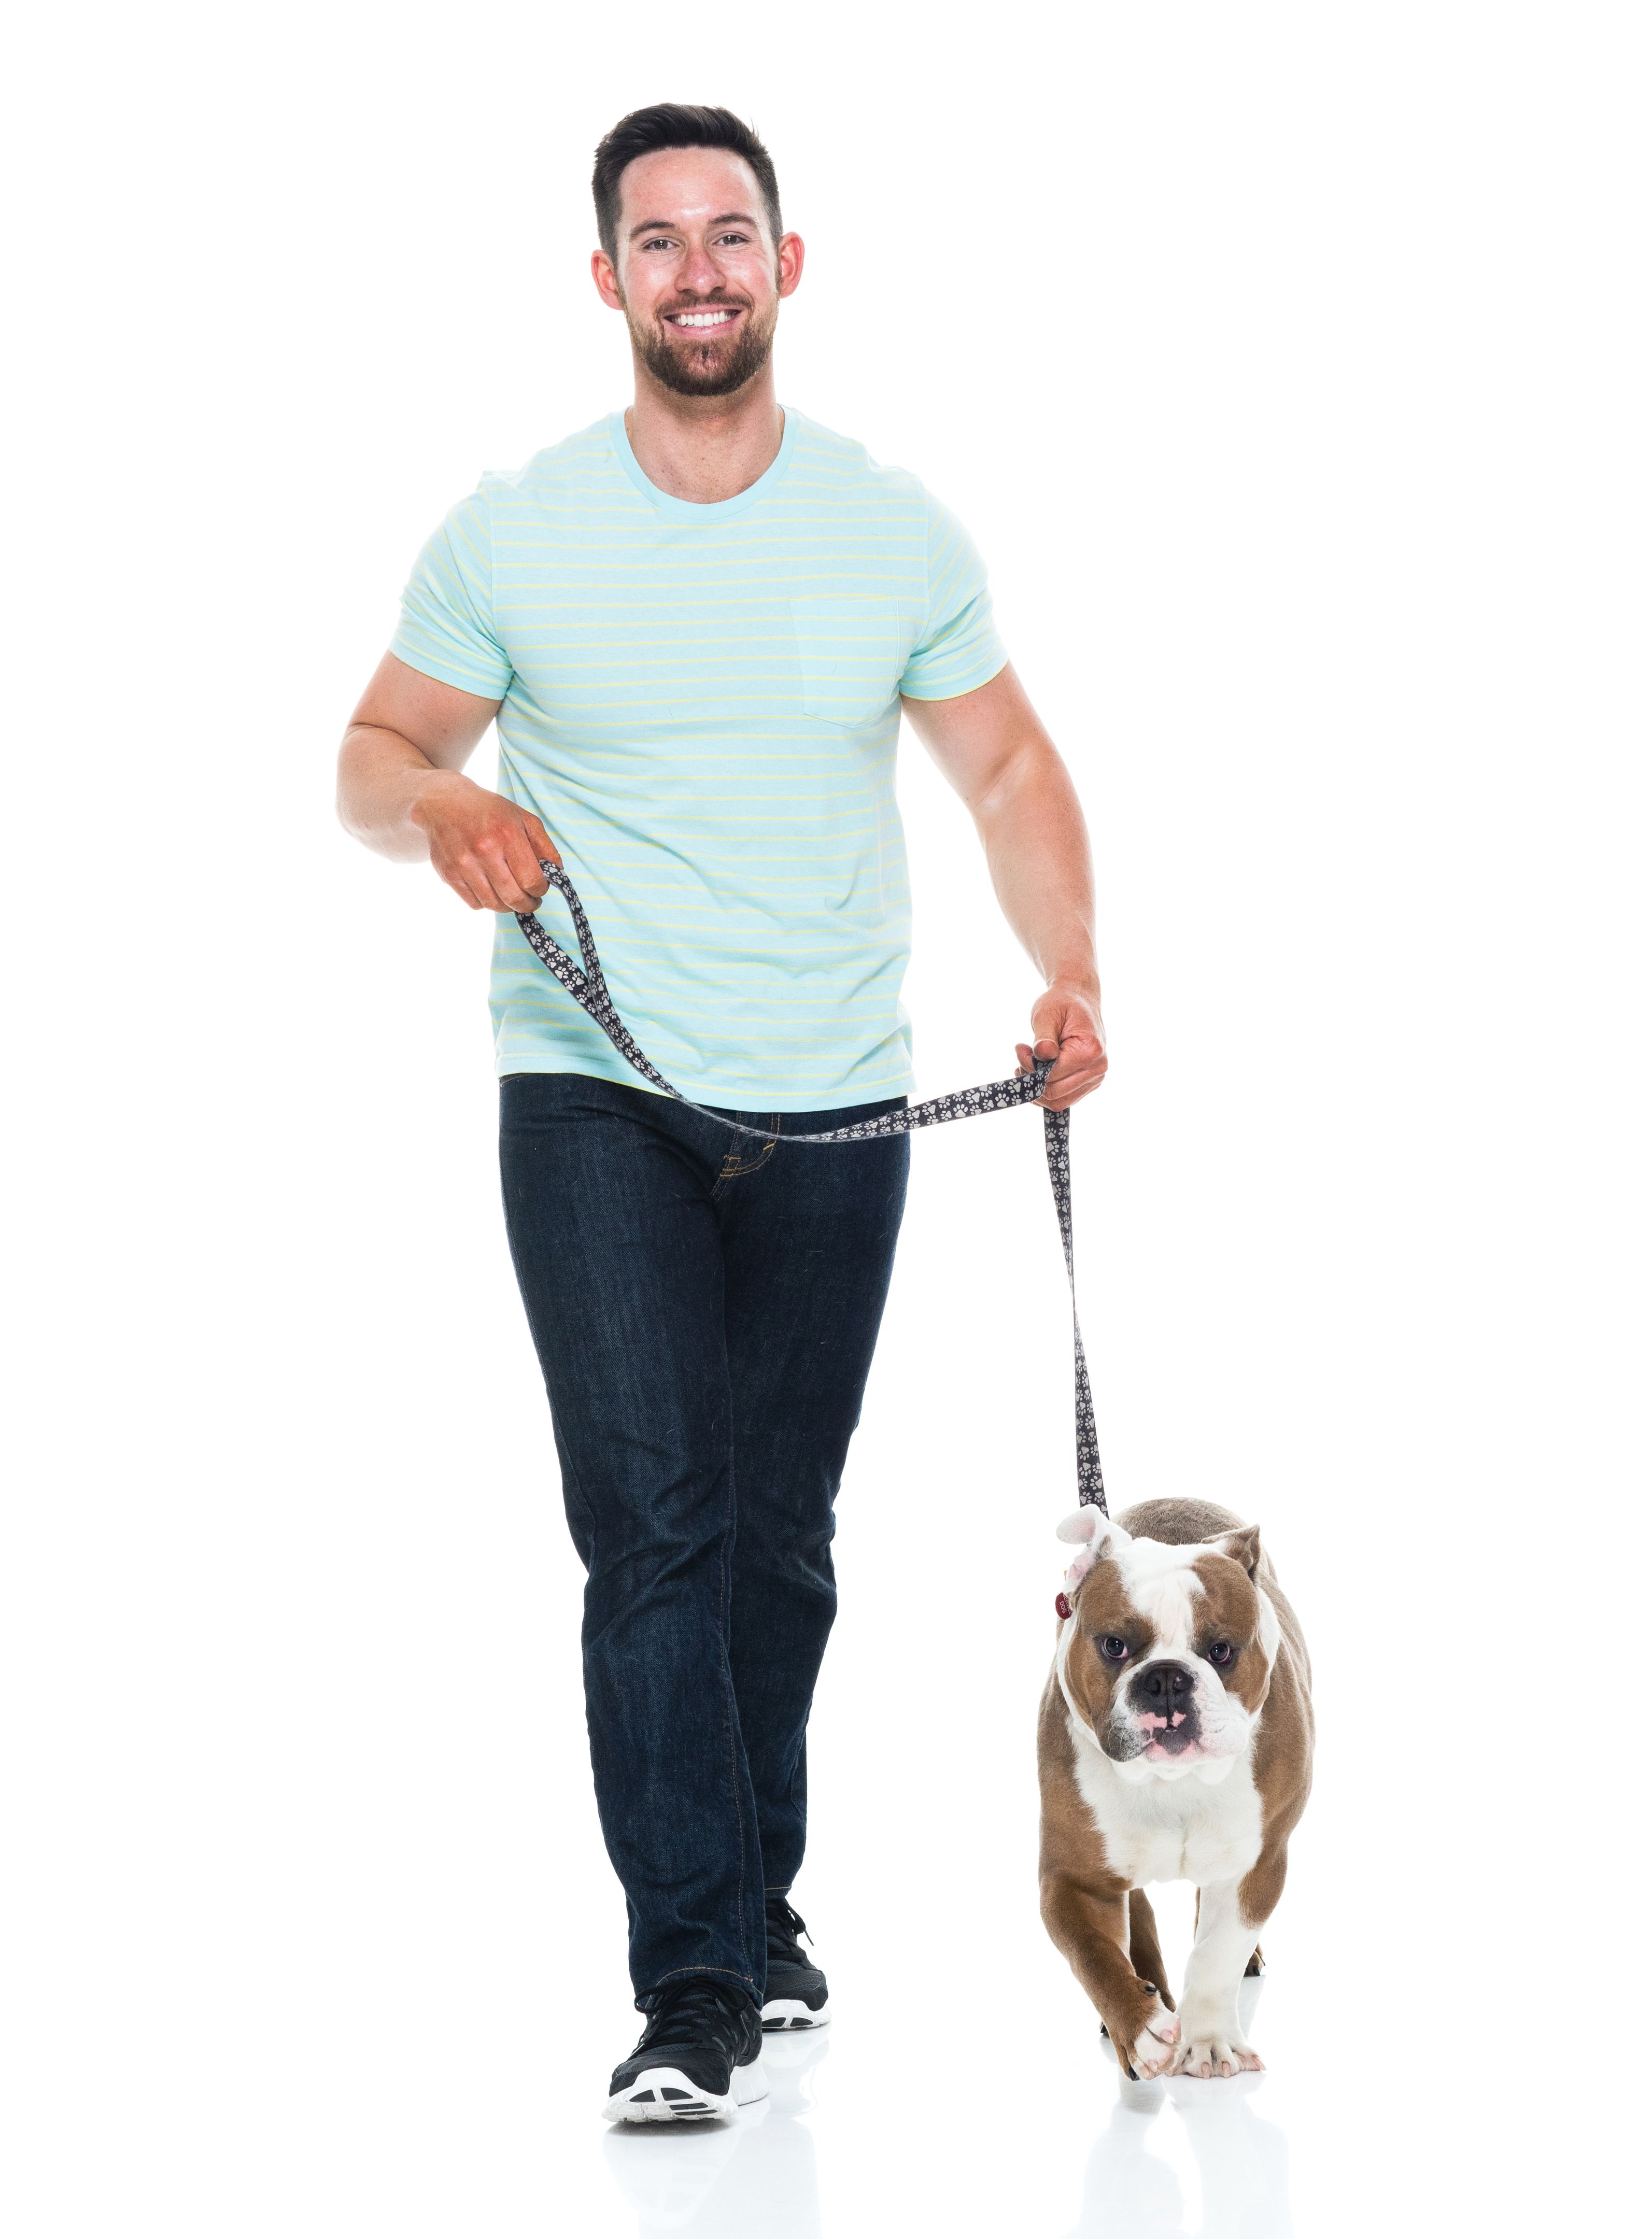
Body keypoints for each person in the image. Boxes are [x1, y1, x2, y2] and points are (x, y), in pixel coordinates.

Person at [336, 103, 1106, 2123]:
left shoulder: (890, 526)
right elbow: (373, 749)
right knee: (652, 1529)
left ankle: (755, 1909)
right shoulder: (510, 531)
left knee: (776, 1546)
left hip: (837, 1104)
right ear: (606, 280)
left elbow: (1010, 775)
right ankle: (688, 1978)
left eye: (730, 234)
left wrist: (1073, 970)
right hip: (593, 1090)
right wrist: (446, 804)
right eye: (656, 240)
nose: (697, 270)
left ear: (786, 264)